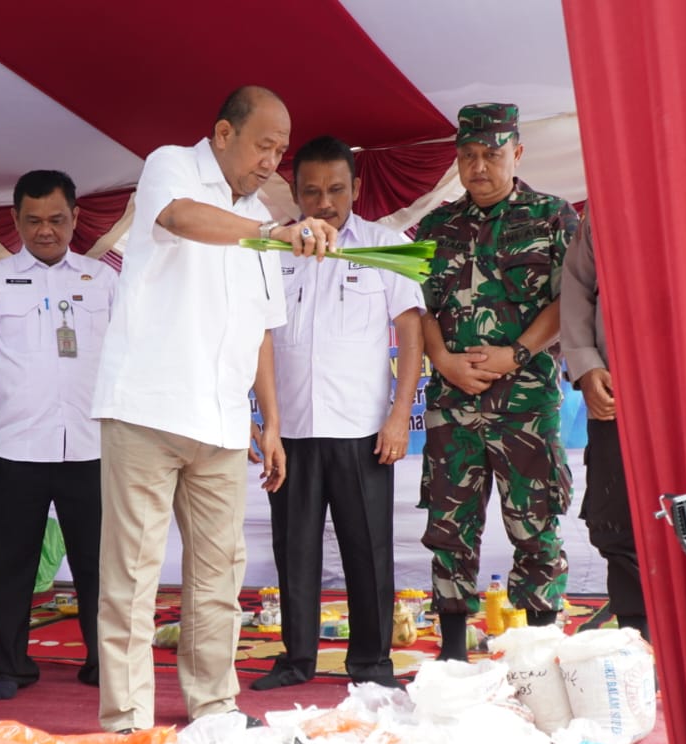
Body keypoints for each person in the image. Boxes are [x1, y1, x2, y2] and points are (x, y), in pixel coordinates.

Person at [90, 86, 336, 733]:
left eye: (279, 152)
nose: (270, 162)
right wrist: (269, 232)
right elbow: (178, 218)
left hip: (224, 422)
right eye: (264, 145)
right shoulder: (171, 164)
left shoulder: (259, 216)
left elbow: (261, 330)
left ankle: (214, 704)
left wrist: (271, 421)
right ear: (224, 134)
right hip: (148, 405)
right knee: (133, 573)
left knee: (219, 575)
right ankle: (126, 720)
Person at [253, 136, 424, 692]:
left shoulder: (385, 245)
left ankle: (372, 663)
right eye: (310, 190)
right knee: (293, 548)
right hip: (293, 429)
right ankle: (297, 657)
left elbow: (411, 332)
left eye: (334, 189)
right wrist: (261, 422)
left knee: (368, 548)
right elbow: (253, 336)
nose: (323, 202)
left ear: (355, 188)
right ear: (294, 191)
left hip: (362, 429)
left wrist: (400, 416)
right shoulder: (271, 250)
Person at [415, 103, 578, 660]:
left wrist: (518, 352)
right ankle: (454, 653)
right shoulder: (436, 226)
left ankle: (539, 649)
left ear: (517, 153)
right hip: (452, 400)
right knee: (449, 524)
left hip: (526, 401)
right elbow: (422, 309)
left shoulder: (552, 217)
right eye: (467, 156)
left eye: (491, 155)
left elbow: (569, 299)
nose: (478, 167)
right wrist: (442, 360)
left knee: (534, 524)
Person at [0, 170, 117, 700]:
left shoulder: (104, 280)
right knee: (10, 564)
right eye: (33, 221)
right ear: (16, 221)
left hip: (94, 447)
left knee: (101, 564)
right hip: (14, 447)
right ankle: (9, 667)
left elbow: (125, 361)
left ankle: (104, 663)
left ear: (75, 217)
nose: (45, 231)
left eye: (55, 219)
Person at [560, 207, 647, 639]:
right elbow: (576, 289)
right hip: (614, 391)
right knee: (617, 519)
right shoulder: (609, 200)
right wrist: (586, 365)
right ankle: (639, 639)